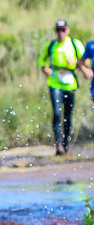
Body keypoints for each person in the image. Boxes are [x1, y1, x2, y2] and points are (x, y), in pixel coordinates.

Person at [39, 19, 90, 155]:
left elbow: (87, 62)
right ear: (55, 31)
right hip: (55, 82)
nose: (60, 32)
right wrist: (45, 69)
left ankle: (66, 144)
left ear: (67, 30)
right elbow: (42, 61)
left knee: (67, 115)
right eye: (58, 30)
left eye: (63, 29)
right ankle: (59, 144)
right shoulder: (50, 46)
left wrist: (74, 62)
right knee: (57, 113)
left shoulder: (75, 44)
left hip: (70, 83)